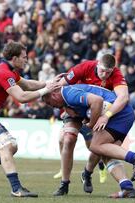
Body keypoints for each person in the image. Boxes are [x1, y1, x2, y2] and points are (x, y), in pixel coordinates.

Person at [0, 41, 60, 197]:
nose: (26, 60)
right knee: (6, 145)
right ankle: (16, 188)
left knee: (12, 146)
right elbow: (21, 96)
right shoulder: (4, 72)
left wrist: (49, 83)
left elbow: (28, 85)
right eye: (23, 57)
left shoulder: (10, 71)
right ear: (14, 58)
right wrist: (45, 90)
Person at [42, 84, 135, 198]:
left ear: (54, 95)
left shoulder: (69, 94)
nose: (52, 106)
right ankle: (127, 188)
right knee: (106, 154)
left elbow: (97, 101)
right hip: (124, 114)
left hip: (117, 114)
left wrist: (91, 124)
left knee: (95, 145)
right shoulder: (69, 98)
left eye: (49, 103)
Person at [53, 54, 130, 195]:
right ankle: (64, 184)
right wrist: (65, 107)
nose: (105, 75)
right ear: (97, 64)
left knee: (98, 148)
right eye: (102, 71)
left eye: (108, 72)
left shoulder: (117, 74)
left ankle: (87, 174)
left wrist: (107, 116)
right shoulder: (84, 67)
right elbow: (59, 89)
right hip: (76, 109)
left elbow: (123, 97)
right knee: (68, 139)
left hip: (97, 113)